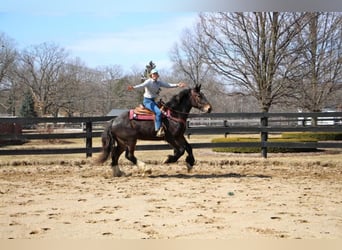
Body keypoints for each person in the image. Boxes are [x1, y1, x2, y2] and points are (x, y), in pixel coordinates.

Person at [128, 69, 186, 137]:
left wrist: (177, 85)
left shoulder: (158, 82)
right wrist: (133, 87)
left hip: (152, 101)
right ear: (151, 75)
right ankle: (158, 129)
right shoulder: (148, 81)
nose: (155, 75)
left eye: (156, 74)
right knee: (158, 112)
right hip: (147, 101)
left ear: (157, 75)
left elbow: (167, 85)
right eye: (153, 74)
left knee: (163, 110)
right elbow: (141, 85)